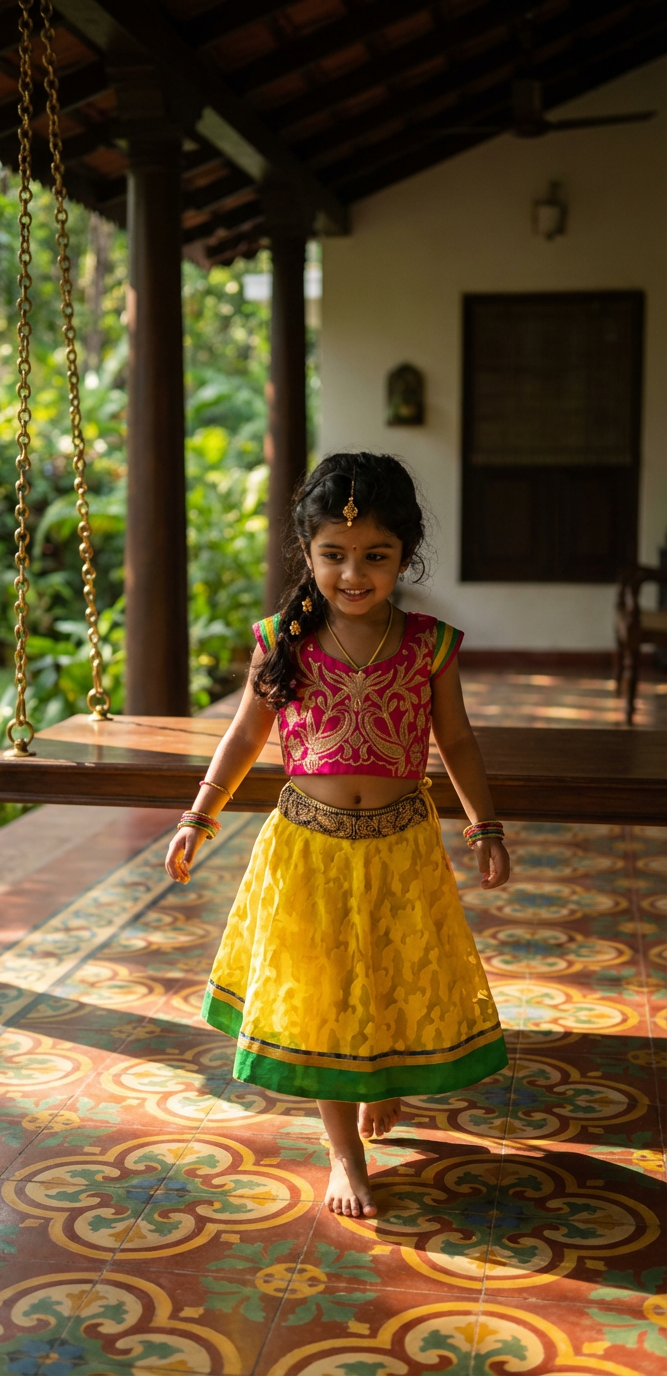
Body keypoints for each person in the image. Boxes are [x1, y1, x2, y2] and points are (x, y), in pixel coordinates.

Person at [165, 451, 510, 1220]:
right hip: (308, 852)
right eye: (335, 556)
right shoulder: (283, 637)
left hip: (401, 848)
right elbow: (246, 734)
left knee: (385, 973)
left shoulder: (430, 644)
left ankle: (377, 1079)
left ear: (405, 556)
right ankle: (344, 1150)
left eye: (376, 557)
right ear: (308, 553)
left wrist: (485, 826)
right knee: (321, 992)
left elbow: (456, 742)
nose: (354, 574)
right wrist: (200, 812)